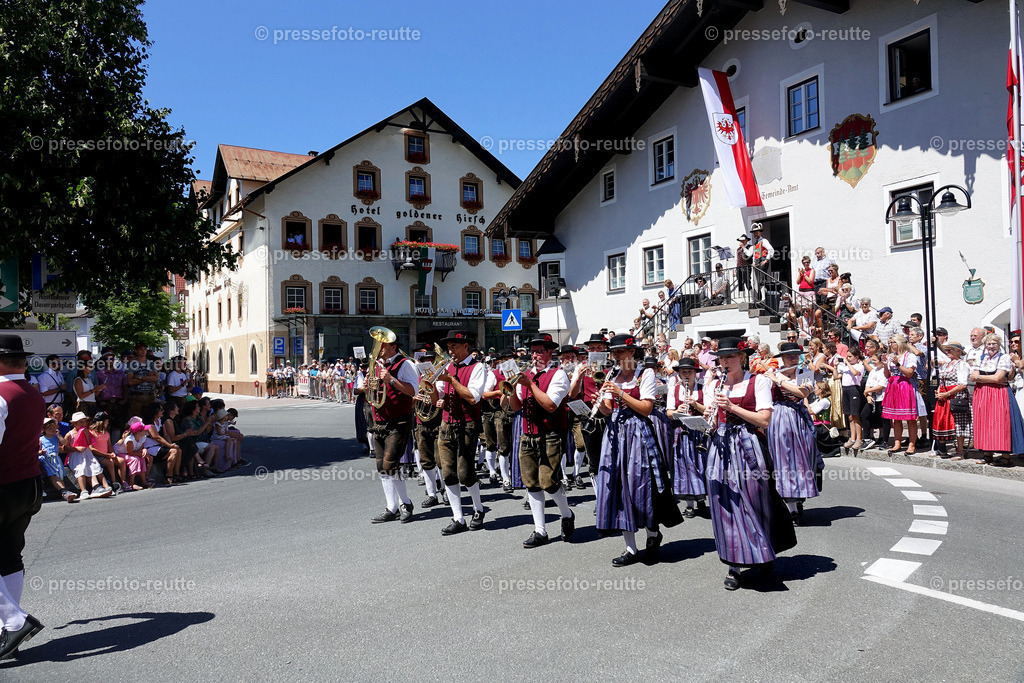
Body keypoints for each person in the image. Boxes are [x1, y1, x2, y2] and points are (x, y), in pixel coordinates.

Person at [702, 337, 795, 590]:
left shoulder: (759, 381)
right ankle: (733, 566)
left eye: (730, 357)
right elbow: (712, 420)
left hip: (748, 445)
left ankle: (762, 552)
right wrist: (706, 418)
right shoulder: (714, 385)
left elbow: (764, 420)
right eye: (721, 358)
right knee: (726, 503)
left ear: (742, 358)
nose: (725, 362)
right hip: (720, 445)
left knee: (756, 500)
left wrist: (732, 406)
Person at [595, 334, 681, 566]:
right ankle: (630, 548)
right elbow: (607, 411)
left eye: (620, 352)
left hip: (638, 435)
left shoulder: (646, 373)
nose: (616, 356)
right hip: (615, 433)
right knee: (619, 487)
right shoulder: (613, 375)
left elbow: (645, 408)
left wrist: (621, 393)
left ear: (632, 352)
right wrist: (602, 400)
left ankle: (653, 533)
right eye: (614, 353)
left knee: (642, 486)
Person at [0, 335, 47, 659]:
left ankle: (14, 621)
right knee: (9, 556)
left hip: (3, 486)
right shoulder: (34, 394)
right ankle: (7, 628)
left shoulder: (0, 395)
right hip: (29, 483)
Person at [508, 334, 575, 548]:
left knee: (548, 482)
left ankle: (566, 514)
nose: (535, 355)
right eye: (533, 351)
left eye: (539, 351)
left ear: (549, 353)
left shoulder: (558, 375)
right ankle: (540, 531)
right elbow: (517, 407)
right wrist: (508, 392)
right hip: (528, 434)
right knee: (531, 483)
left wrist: (530, 384)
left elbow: (551, 405)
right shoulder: (526, 375)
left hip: (550, 434)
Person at [434, 330, 488, 535]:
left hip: (467, 424)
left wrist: (450, 380)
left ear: (466, 346)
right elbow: (436, 396)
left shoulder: (478, 368)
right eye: (449, 348)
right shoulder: (446, 367)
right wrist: (429, 385)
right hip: (447, 423)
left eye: (454, 347)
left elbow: (473, 397)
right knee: (448, 472)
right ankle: (458, 518)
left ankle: (478, 509)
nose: (450, 351)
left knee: (465, 473)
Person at [764, 342, 821, 524]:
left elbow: (803, 393)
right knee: (782, 461)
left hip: (797, 418)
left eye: (796, 356)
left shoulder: (804, 373)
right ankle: (791, 506)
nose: (793, 359)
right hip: (777, 419)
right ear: (782, 358)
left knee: (802, 459)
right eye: (789, 356)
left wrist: (778, 380)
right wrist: (768, 378)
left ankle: (798, 497)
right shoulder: (772, 373)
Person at [367, 335, 420, 524]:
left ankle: (405, 503)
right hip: (379, 421)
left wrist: (391, 380)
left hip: (398, 421)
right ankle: (391, 507)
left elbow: (413, 390)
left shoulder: (405, 364)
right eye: (377, 344)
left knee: (391, 465)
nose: (378, 347)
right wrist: (366, 388)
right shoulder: (376, 364)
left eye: (382, 344)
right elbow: (371, 394)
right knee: (382, 467)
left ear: (393, 346)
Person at [970, 333, 1024, 466]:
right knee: (984, 422)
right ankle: (987, 454)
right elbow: (973, 376)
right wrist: (988, 378)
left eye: (994, 343)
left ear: (999, 345)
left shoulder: (1004, 357)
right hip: (983, 393)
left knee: (1000, 423)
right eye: (989, 344)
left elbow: (998, 378)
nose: (991, 346)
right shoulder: (982, 357)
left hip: (998, 393)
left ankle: (1006, 457)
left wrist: (981, 378)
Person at [664, 358, 707, 518]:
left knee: (700, 464)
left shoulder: (704, 388)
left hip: (699, 430)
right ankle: (690, 504)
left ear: (695, 373)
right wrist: (677, 411)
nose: (686, 375)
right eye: (683, 372)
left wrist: (695, 405)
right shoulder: (674, 389)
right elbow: (668, 413)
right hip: (681, 431)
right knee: (685, 466)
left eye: (689, 371)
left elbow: (708, 410)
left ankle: (701, 497)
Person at [881, 335, 920, 454]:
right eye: (889, 342)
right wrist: (884, 364)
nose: (890, 345)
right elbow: (887, 375)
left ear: (899, 343)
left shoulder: (910, 356)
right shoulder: (891, 356)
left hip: (904, 385)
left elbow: (909, 373)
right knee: (895, 418)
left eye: (892, 342)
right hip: (893, 386)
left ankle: (912, 444)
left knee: (910, 418)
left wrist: (898, 364)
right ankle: (897, 443)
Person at [933, 342, 972, 459]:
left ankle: (960, 451)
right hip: (945, 396)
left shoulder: (962, 365)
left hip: (957, 396)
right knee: (944, 421)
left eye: (951, 350)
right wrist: (939, 391)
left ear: (958, 352)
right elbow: (942, 381)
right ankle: (942, 448)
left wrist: (947, 393)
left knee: (959, 423)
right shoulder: (946, 365)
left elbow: (962, 385)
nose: (948, 352)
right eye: (947, 350)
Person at [67, 412, 114, 499]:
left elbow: (89, 444)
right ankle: (83, 491)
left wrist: (86, 436)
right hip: (76, 456)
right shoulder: (69, 434)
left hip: (86, 454)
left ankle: (100, 487)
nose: (83, 424)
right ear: (74, 423)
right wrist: (76, 449)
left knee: (94, 467)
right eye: (81, 422)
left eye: (84, 422)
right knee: (81, 469)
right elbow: (64, 448)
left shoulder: (86, 432)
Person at [836, 347, 866, 449]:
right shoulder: (846, 367)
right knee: (849, 416)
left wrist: (847, 363)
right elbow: (836, 376)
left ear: (856, 357)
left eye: (850, 357)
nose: (847, 358)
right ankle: (852, 438)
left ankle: (859, 439)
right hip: (845, 389)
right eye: (847, 356)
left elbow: (855, 373)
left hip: (854, 389)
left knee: (855, 415)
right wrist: (836, 366)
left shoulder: (859, 366)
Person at [735, 234, 753, 299]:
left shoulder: (750, 247)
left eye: (743, 240)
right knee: (740, 282)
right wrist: (735, 269)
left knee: (747, 281)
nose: (741, 242)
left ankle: (751, 297)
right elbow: (736, 259)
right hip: (739, 267)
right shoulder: (737, 249)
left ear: (746, 240)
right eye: (741, 240)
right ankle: (743, 298)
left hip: (746, 266)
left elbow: (749, 254)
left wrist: (743, 247)